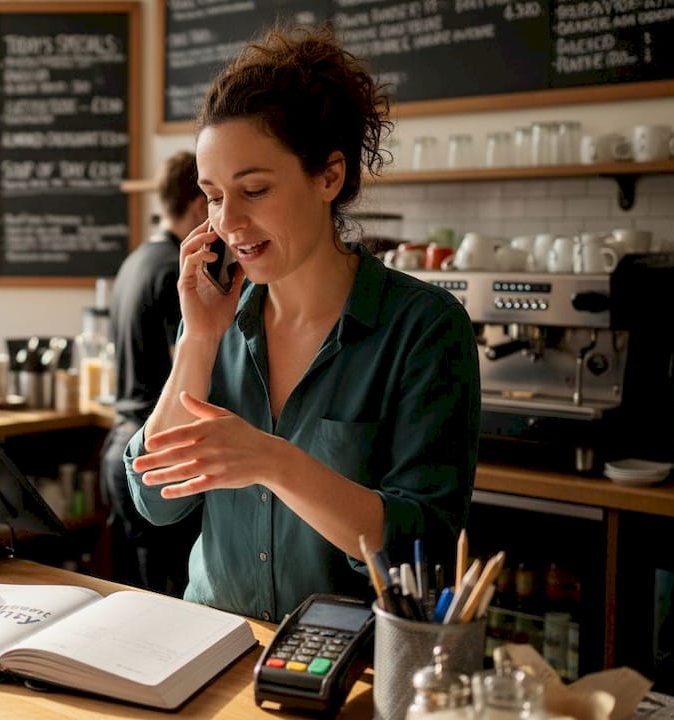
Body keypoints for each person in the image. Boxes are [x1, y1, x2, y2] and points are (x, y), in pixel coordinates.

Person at [124, 25, 480, 621]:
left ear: (329, 177)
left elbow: (423, 549)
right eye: (213, 196)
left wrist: (275, 461)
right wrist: (201, 339)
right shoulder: (217, 319)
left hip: (353, 665)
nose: (228, 222)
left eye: (254, 190)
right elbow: (156, 501)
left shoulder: (424, 329)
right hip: (216, 646)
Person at [100, 151, 207, 596]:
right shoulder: (172, 271)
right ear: (200, 206)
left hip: (119, 445)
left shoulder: (135, 262)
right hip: (154, 457)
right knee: (164, 603)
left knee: (134, 596)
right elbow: (183, 363)